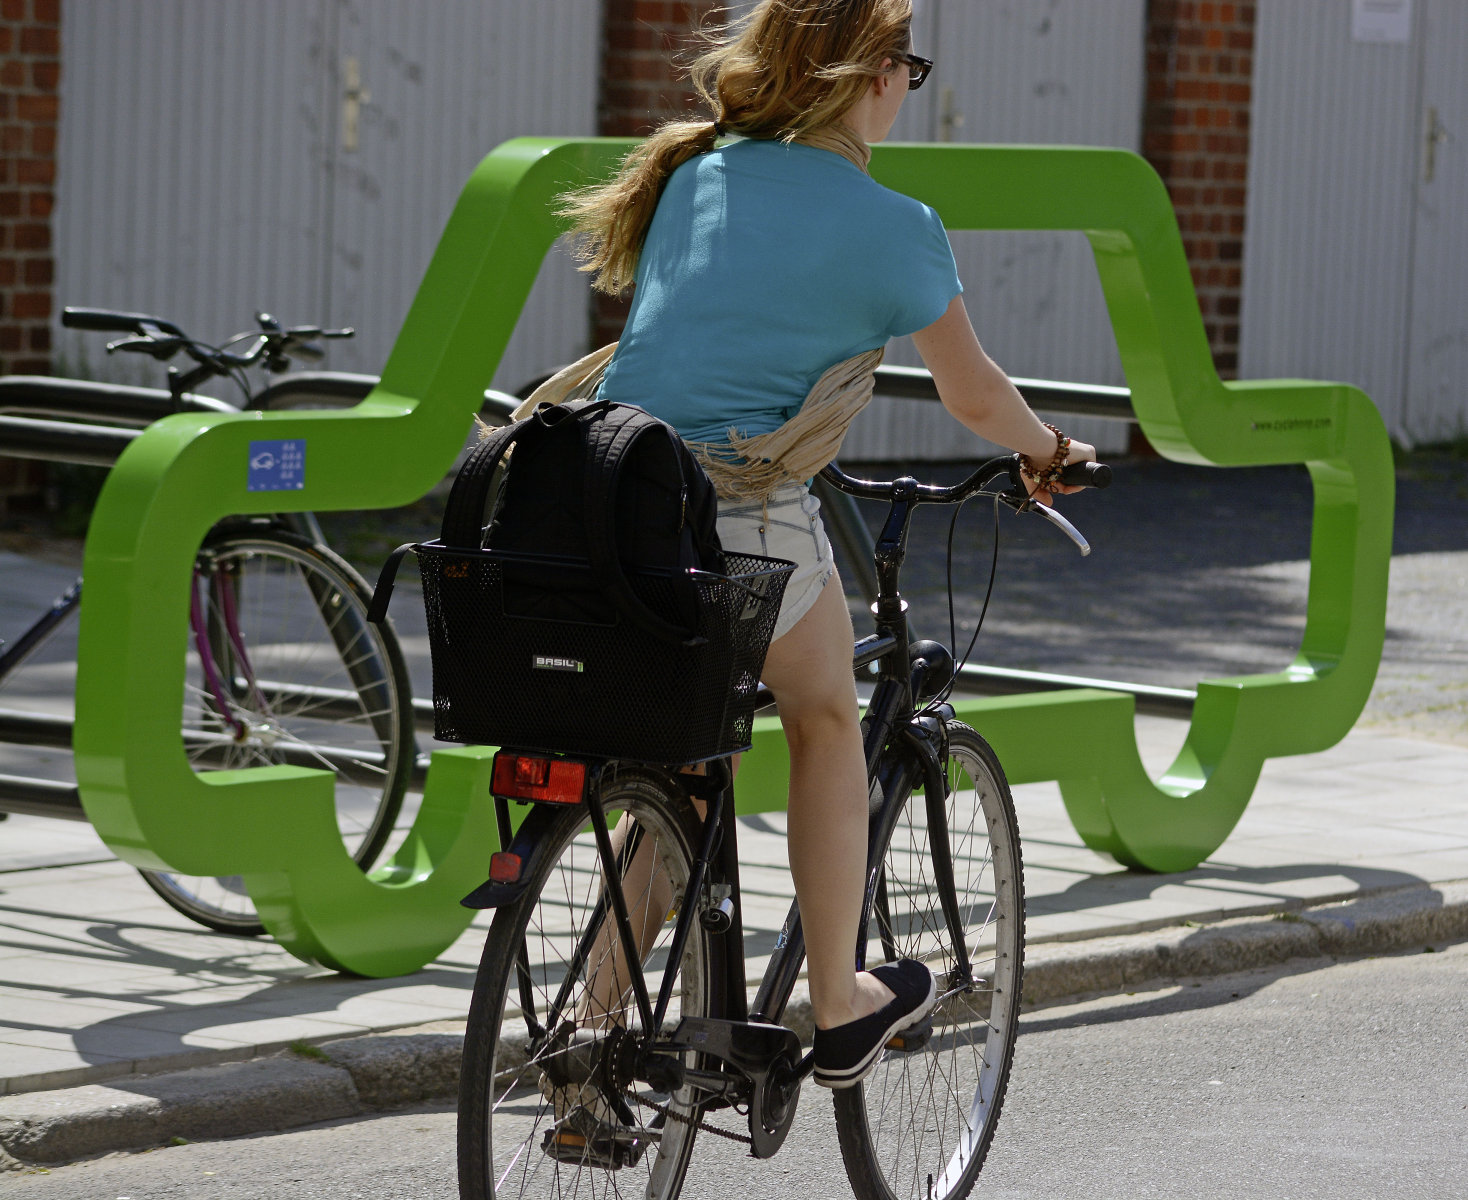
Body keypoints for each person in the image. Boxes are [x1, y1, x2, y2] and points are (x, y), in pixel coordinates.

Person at [557, 0, 1095, 1091]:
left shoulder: (691, 175)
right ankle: (842, 1001)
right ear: (867, 75)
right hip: (740, 513)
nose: (911, 84)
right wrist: (1046, 451)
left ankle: (586, 1037)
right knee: (821, 716)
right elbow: (974, 394)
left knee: (685, 773)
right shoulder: (894, 223)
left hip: (604, 494)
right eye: (908, 63)